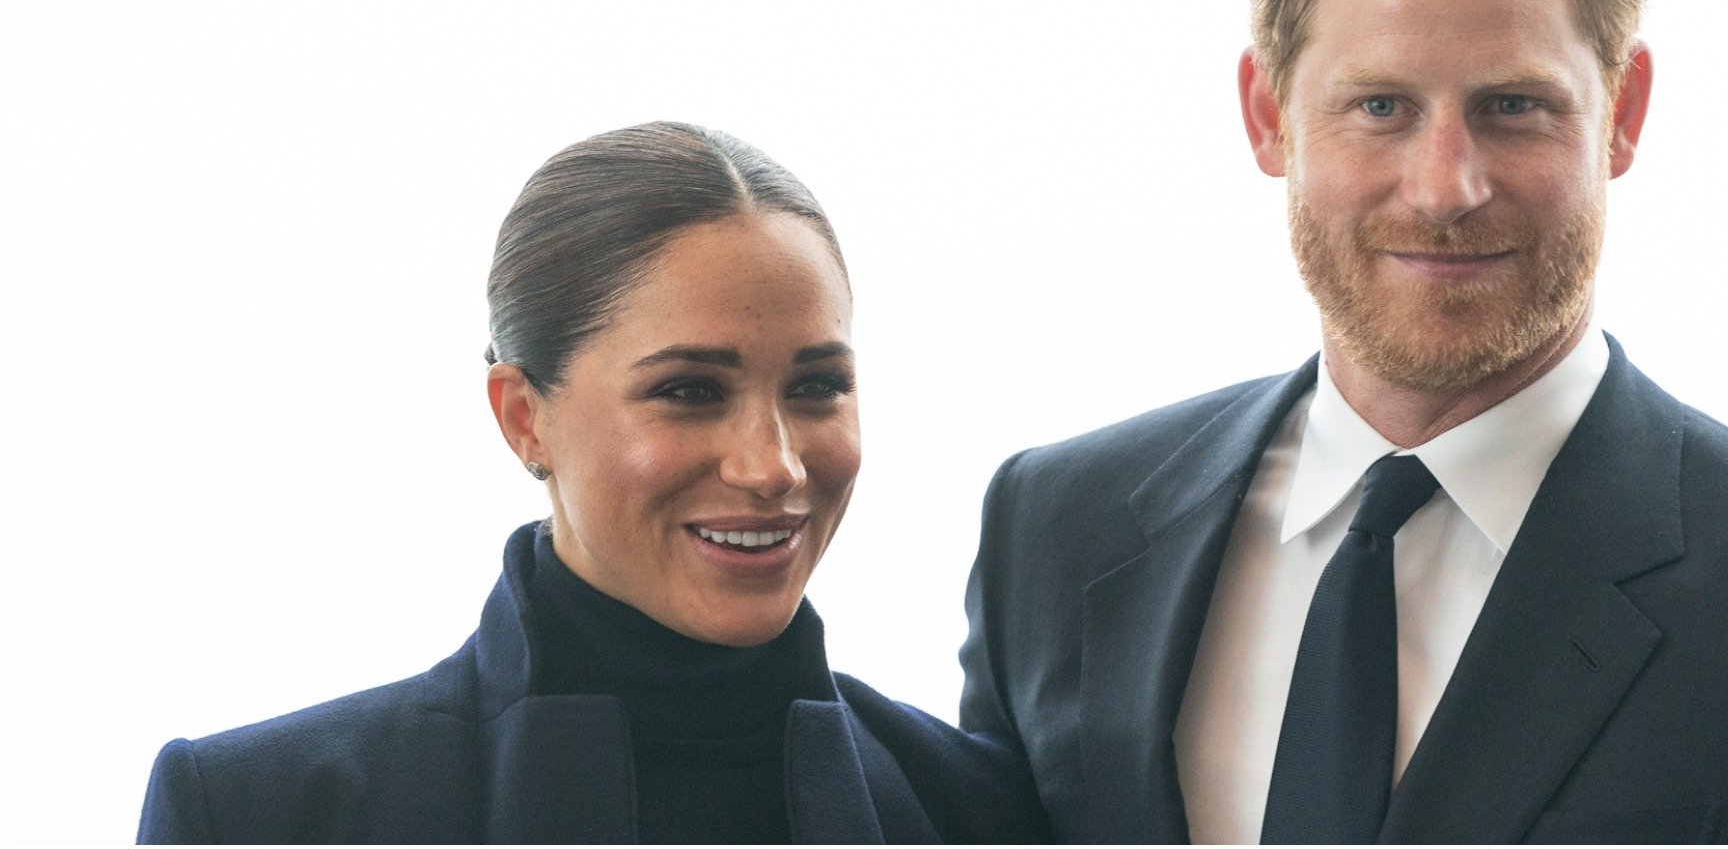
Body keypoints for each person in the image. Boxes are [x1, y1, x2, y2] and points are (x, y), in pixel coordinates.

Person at [958, 0, 1728, 844]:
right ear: (1268, 113)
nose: (1444, 185)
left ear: (1620, 114)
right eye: (1379, 106)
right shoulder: (1055, 535)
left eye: (1511, 107)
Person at [138, 122, 1047, 843]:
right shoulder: (264, 817)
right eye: (690, 391)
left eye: (817, 386)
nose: (772, 465)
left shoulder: (978, 814)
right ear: (523, 416)